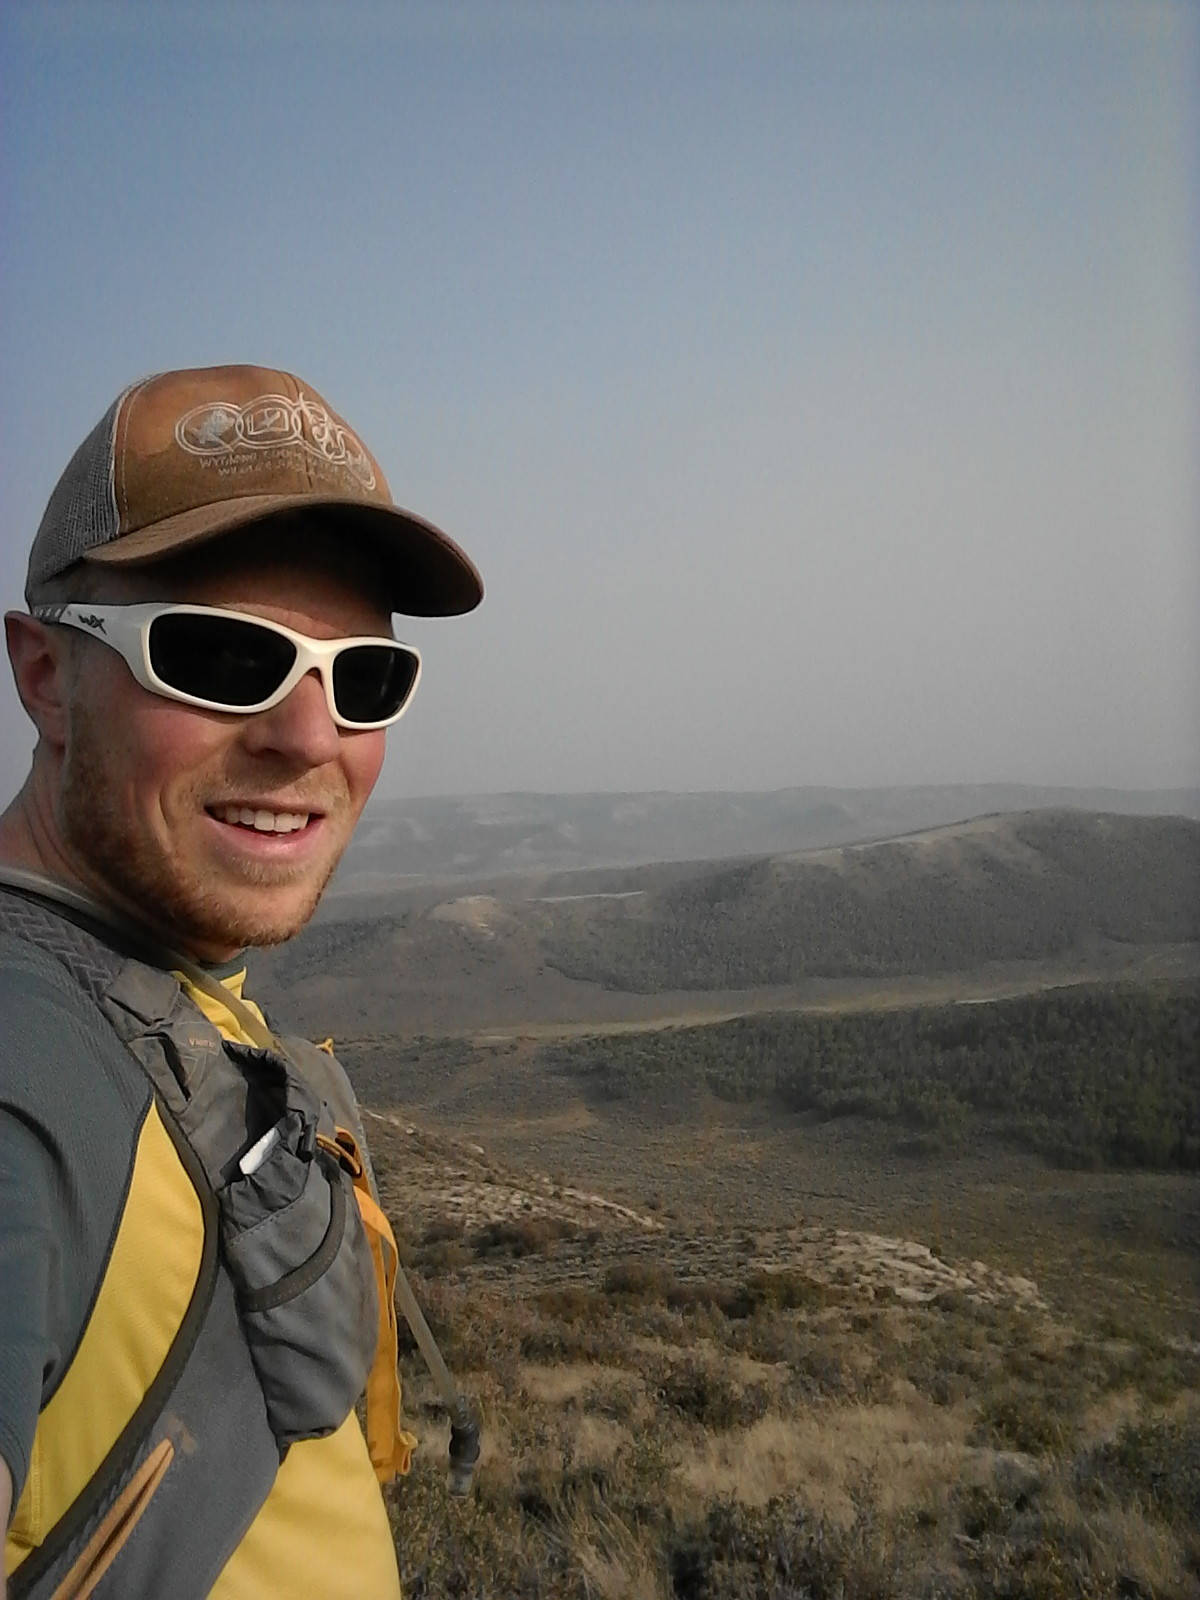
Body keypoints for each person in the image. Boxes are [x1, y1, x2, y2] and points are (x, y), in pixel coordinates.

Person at [0, 365, 483, 1598]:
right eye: (219, 656)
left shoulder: (157, 974)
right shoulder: (23, 1063)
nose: (311, 736)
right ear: (46, 674)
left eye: (362, 676)